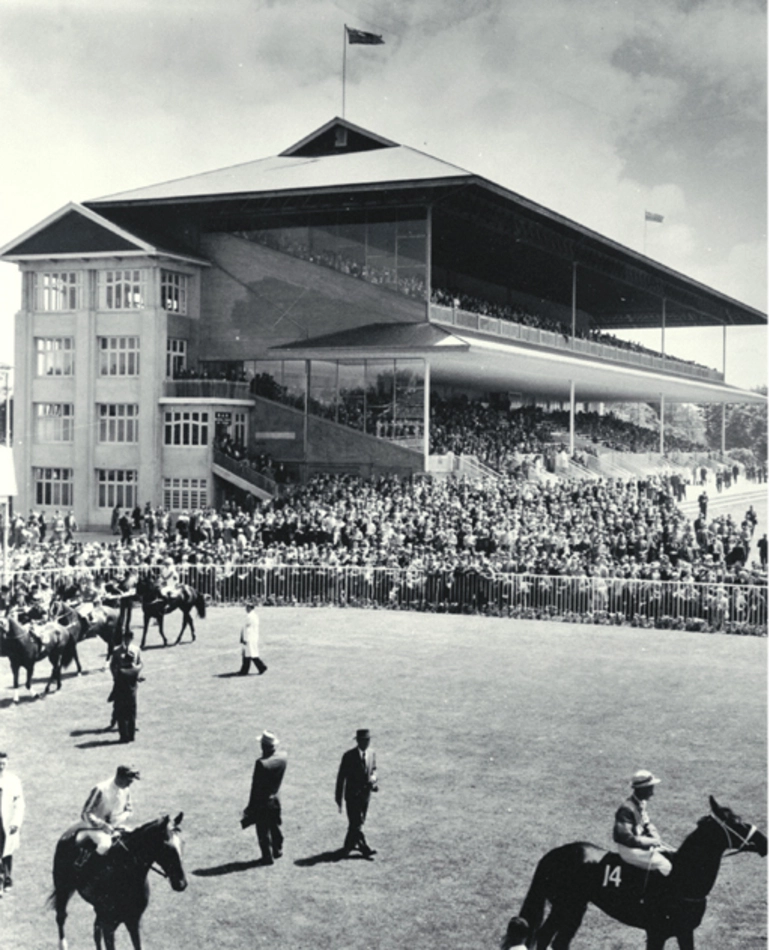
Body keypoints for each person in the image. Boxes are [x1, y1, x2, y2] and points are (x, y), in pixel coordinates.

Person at [75, 765, 140, 870]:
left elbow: (129, 809)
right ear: (120, 777)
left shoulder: (126, 789)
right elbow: (85, 813)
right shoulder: (100, 789)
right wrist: (103, 825)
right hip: (94, 828)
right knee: (105, 845)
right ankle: (88, 870)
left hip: (116, 826)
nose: (130, 784)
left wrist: (119, 819)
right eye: (129, 781)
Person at [613, 769, 672, 877]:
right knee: (665, 865)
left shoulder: (641, 803)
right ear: (641, 790)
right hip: (629, 850)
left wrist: (654, 834)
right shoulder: (626, 809)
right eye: (650, 789)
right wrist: (650, 841)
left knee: (671, 854)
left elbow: (646, 823)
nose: (652, 793)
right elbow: (624, 837)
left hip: (638, 846)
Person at [242, 731, 287, 865]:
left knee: (262, 830)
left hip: (262, 802)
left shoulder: (261, 763)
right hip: (275, 799)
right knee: (274, 825)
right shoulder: (283, 757)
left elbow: (255, 787)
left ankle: (267, 856)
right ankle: (277, 849)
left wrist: (250, 807)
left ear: (263, 746)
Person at [335, 728, 378, 858]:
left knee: (358, 822)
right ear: (358, 741)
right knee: (357, 822)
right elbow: (341, 778)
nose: (366, 743)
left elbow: (374, 770)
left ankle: (348, 846)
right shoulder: (348, 756)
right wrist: (338, 798)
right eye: (364, 741)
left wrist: (374, 779)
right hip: (352, 796)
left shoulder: (371, 754)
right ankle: (365, 849)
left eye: (368, 740)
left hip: (365, 796)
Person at [109, 630, 143, 743]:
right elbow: (112, 665)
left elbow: (140, 663)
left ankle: (124, 735)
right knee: (131, 712)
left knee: (122, 712)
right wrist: (136, 674)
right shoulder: (117, 651)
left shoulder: (136, 650)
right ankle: (130, 735)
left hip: (122, 686)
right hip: (131, 685)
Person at [0, 752, 25, 896]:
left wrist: (16, 822)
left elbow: (19, 803)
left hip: (7, 821)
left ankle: (7, 879)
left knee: (6, 851)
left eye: (3, 763)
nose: (1, 766)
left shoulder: (13, 780)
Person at [238, 602, 267, 675]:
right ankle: (245, 670)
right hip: (253, 637)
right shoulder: (255, 616)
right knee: (248, 654)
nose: (246, 609)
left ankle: (261, 667)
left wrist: (244, 638)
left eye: (247, 607)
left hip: (249, 637)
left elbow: (247, 629)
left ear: (250, 608)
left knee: (251, 654)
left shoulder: (250, 616)